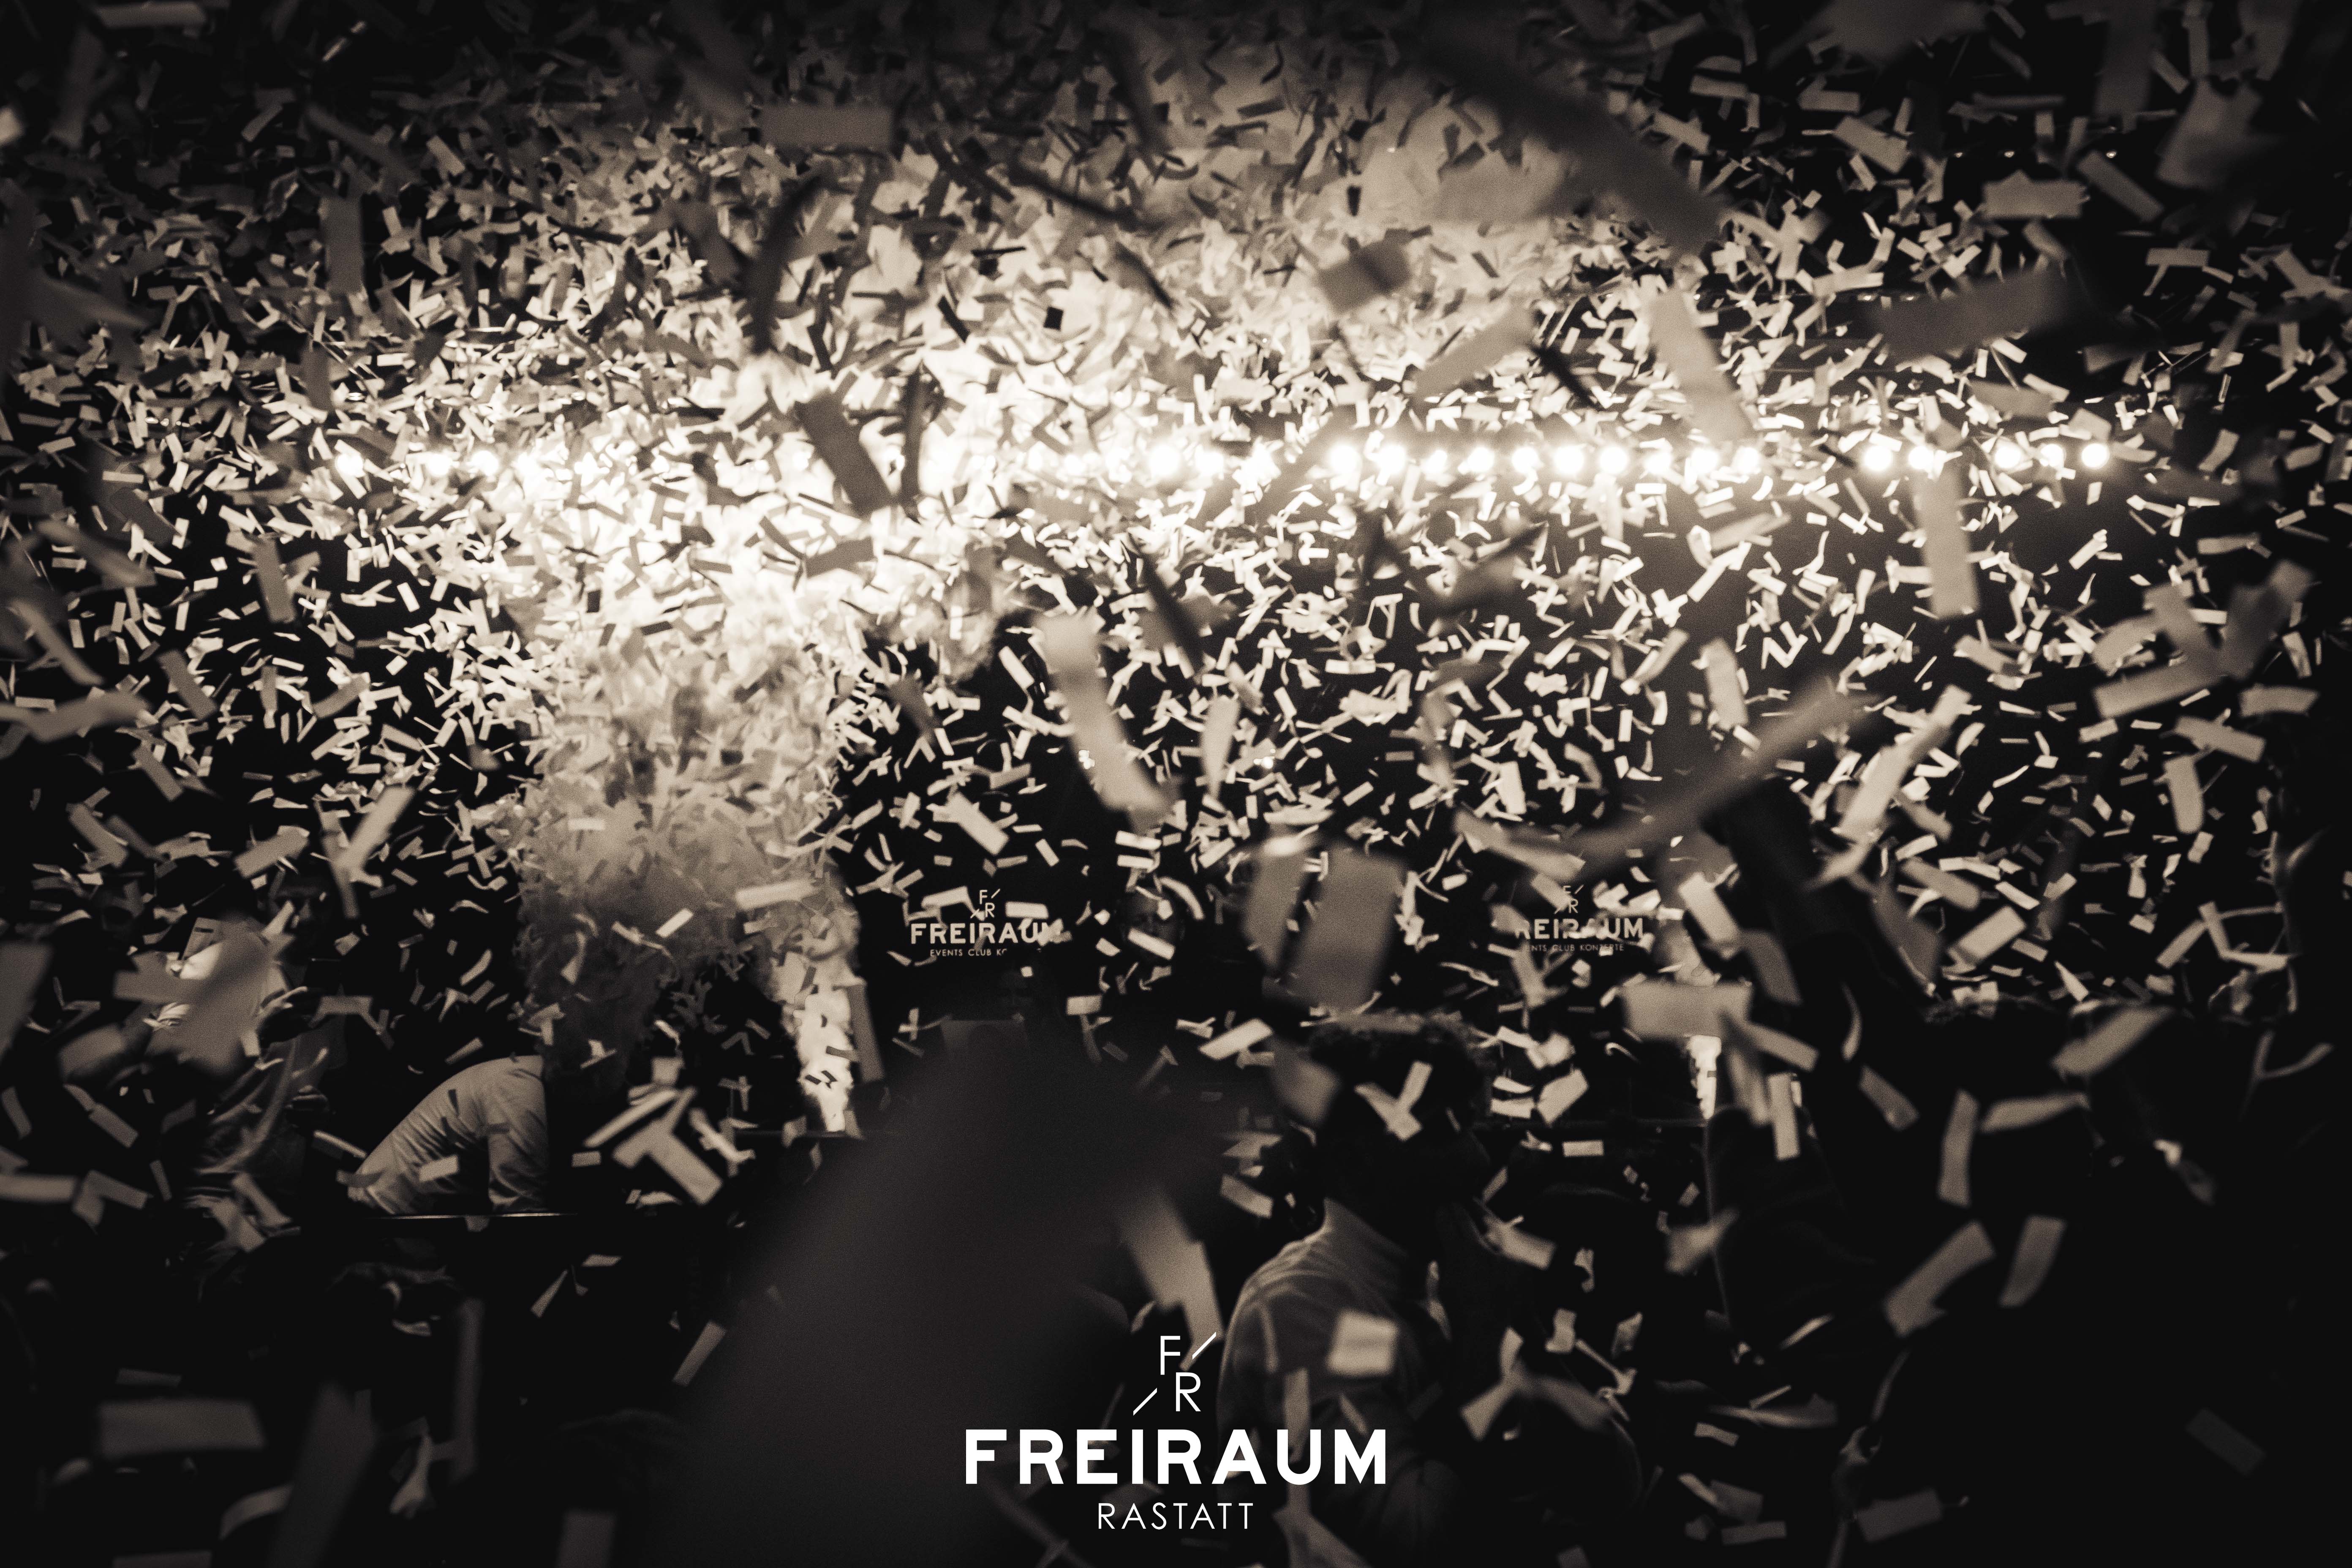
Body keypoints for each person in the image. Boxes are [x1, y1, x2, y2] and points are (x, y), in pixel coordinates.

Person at [1216, 1015, 1640, 1567]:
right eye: (1443, 1132)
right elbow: (1423, 1547)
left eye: (1471, 1126)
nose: (1478, 1160)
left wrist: (1528, 1334)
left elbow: (1612, 1485)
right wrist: (1482, 1336)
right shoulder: (1299, 1309)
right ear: (1355, 1163)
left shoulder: (1449, 1280)